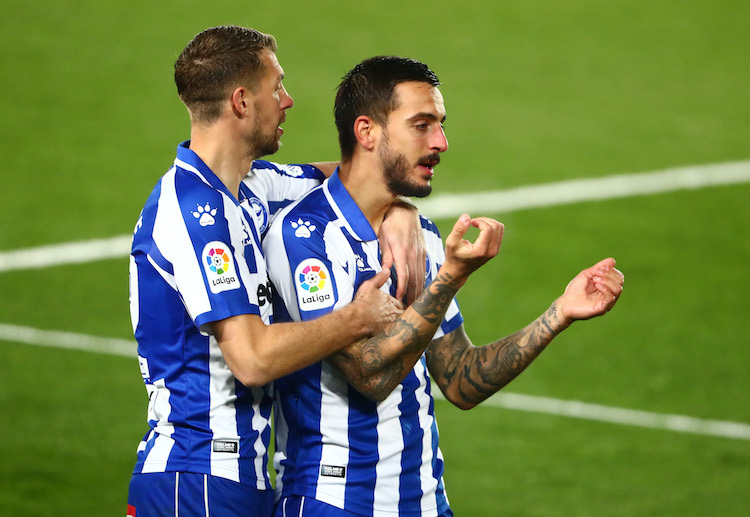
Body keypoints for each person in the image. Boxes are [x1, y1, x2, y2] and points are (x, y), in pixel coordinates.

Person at [263, 56, 625, 517]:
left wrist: (559, 313)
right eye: (422, 125)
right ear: (367, 132)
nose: (441, 142)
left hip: (425, 502)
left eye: (441, 125)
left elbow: (459, 379)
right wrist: (451, 277)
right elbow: (368, 375)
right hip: (333, 501)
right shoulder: (304, 235)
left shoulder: (423, 237)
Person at [127, 27, 426, 517]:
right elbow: (251, 360)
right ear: (242, 102)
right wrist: (357, 318)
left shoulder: (253, 186)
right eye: (277, 87)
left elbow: (363, 175)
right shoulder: (193, 212)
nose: (287, 101)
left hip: (235, 477)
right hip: (195, 475)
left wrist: (400, 210)